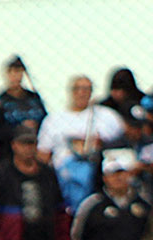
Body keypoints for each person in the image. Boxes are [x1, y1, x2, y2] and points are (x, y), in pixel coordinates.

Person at [38, 76, 125, 211]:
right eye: (77, 88)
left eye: (86, 89)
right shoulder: (53, 120)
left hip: (99, 180)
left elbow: (123, 144)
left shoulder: (107, 117)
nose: (82, 93)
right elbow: (43, 154)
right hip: (63, 181)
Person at [0, 56, 46, 166]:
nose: (15, 76)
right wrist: (19, 129)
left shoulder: (35, 99)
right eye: (11, 72)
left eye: (18, 72)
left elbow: (47, 122)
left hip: (35, 155)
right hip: (7, 158)